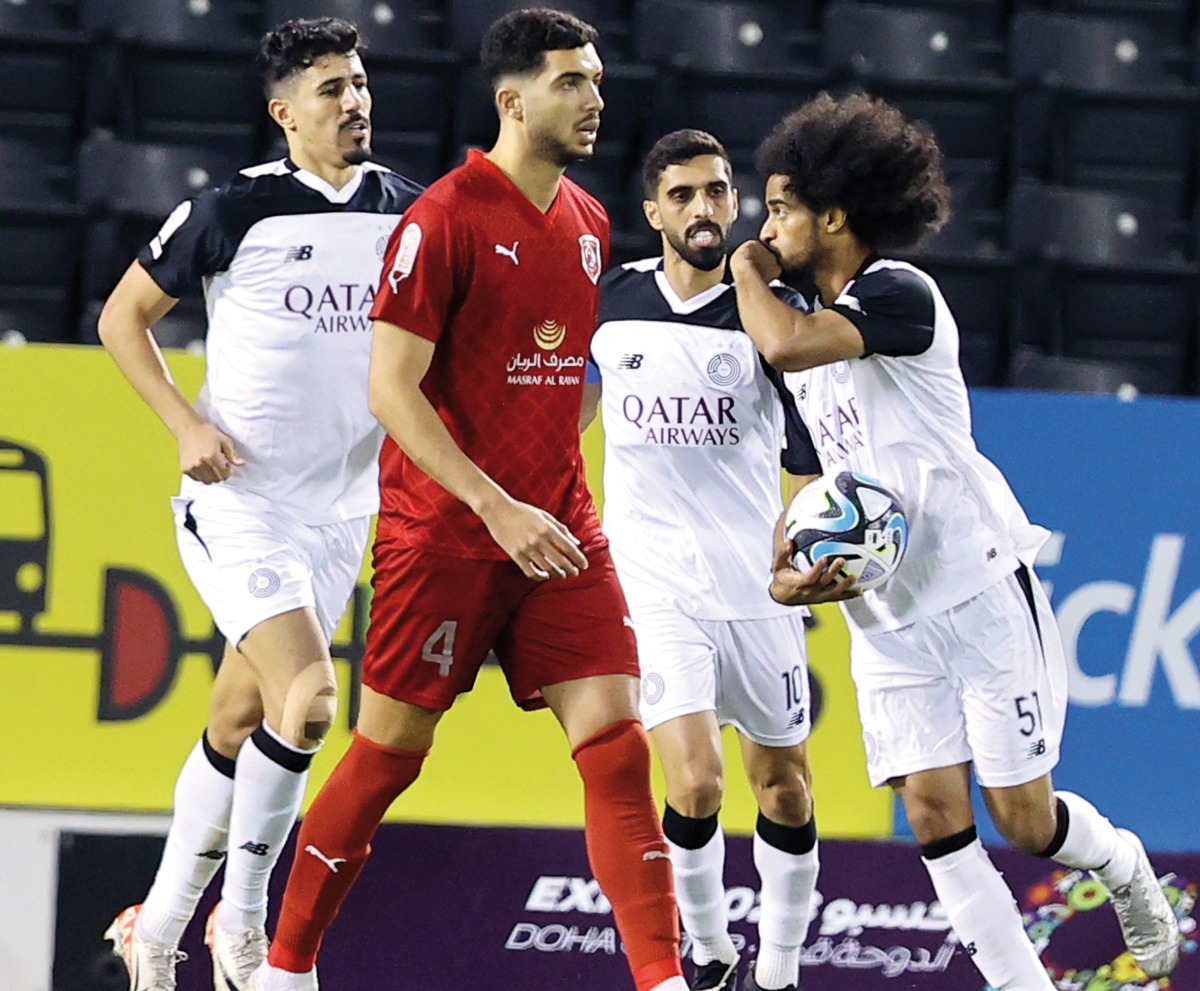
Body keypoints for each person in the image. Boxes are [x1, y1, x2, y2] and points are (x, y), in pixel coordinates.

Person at [249, 10, 685, 991]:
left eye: (599, 80)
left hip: (557, 529)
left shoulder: (590, 221)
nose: (596, 98)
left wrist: (547, 486)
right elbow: (390, 389)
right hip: (444, 534)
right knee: (386, 756)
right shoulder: (442, 218)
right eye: (573, 81)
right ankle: (285, 968)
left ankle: (659, 977)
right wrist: (496, 504)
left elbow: (568, 377)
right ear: (513, 98)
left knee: (617, 751)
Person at [728, 91, 1181, 989]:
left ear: (834, 215)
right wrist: (790, 574)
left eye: (779, 209)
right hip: (885, 617)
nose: (766, 226)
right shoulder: (797, 328)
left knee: (1022, 817)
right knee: (935, 815)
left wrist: (745, 268)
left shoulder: (898, 293)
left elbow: (783, 344)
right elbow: (804, 477)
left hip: (973, 591)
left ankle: (1123, 861)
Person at [98, 17, 423, 991]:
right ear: (284, 112)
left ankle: (153, 931)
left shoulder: (410, 212)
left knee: (242, 715)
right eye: (332, 89)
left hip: (342, 514)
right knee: (313, 700)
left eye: (360, 84)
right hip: (242, 502)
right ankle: (243, 929)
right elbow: (122, 319)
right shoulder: (232, 211)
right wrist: (183, 424)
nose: (355, 101)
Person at [584, 129, 849, 991]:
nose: (705, 208)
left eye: (718, 191)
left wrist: (807, 550)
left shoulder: (770, 316)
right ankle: (706, 951)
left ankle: (777, 971)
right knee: (694, 783)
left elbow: (808, 463)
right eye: (686, 194)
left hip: (757, 588)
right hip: (654, 584)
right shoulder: (611, 303)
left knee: (784, 790)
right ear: (653, 211)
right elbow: (565, 423)